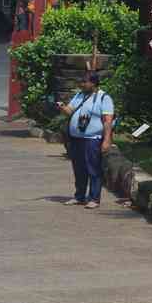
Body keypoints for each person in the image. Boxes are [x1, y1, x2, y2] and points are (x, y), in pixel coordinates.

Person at [58, 72, 114, 209]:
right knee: (79, 169)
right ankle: (79, 196)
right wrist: (62, 108)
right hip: (77, 138)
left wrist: (107, 140)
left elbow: (108, 121)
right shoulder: (79, 95)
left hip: (92, 139)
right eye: (81, 81)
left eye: (84, 82)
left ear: (93, 83)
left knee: (93, 168)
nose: (81, 84)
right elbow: (70, 111)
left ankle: (94, 198)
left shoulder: (104, 98)